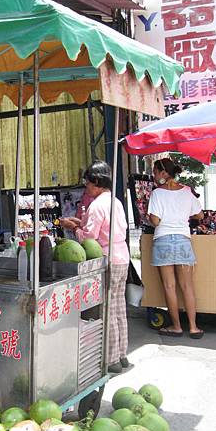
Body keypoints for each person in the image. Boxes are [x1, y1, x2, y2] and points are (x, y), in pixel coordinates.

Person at [59, 160, 130, 374]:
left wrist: (73, 228)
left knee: (107, 308)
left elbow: (90, 239)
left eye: (88, 184)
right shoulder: (114, 202)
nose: (86, 188)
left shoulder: (97, 205)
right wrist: (80, 222)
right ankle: (122, 355)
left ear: (96, 182)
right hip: (122, 257)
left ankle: (110, 360)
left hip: (106, 258)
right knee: (119, 306)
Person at [147, 157, 204, 338]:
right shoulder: (187, 191)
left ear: (164, 173)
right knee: (187, 286)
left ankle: (177, 327)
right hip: (183, 240)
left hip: (163, 240)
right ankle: (194, 327)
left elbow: (155, 221)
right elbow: (200, 215)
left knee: (169, 286)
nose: (154, 176)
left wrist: (155, 217)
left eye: (155, 172)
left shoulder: (157, 193)